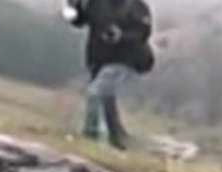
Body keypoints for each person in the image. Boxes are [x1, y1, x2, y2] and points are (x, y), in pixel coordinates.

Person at [63, 0, 155, 150]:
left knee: (95, 93)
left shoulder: (137, 7)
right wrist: (73, 6)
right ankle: (117, 137)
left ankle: (90, 134)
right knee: (106, 98)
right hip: (100, 58)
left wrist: (121, 36)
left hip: (126, 59)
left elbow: (142, 33)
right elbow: (78, 21)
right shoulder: (96, 3)